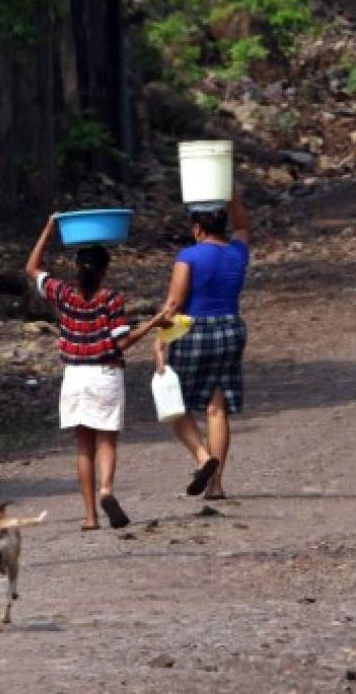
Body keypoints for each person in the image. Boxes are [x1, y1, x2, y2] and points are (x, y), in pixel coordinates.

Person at [26, 216, 167, 531]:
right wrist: (153, 323)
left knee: (83, 447)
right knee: (107, 441)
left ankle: (90, 517)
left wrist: (49, 227)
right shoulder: (111, 298)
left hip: (74, 376)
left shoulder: (63, 293)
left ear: (77, 266)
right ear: (105, 269)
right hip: (105, 375)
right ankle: (106, 489)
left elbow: (32, 268)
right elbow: (124, 341)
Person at [155, 191, 251, 500]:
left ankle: (201, 457)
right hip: (231, 330)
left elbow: (173, 303)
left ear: (197, 228)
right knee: (216, 409)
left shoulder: (189, 257)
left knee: (176, 403)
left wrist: (159, 340)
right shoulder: (238, 253)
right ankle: (216, 485)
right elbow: (243, 228)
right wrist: (232, 195)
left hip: (195, 332)